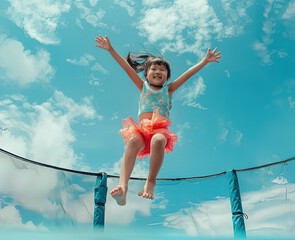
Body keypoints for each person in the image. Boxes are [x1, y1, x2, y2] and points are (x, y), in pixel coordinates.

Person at [95, 35, 221, 206]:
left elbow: (188, 75)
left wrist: (204, 61)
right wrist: (110, 49)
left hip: (159, 130)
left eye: (162, 70)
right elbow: (126, 68)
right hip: (141, 130)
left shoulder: (169, 90)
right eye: (153, 69)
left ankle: (150, 183)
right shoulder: (142, 87)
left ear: (167, 76)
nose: (157, 71)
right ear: (146, 74)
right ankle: (122, 188)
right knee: (132, 141)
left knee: (159, 139)